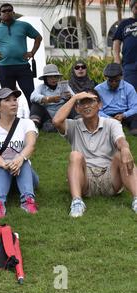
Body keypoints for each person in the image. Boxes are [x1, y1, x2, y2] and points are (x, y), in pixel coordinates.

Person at [52, 89, 137, 217]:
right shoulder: (73, 126)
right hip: (85, 179)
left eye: (91, 102)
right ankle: (77, 202)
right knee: (75, 155)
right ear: (77, 109)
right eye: (82, 103)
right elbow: (56, 121)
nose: (86, 106)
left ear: (100, 105)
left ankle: (136, 199)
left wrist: (125, 149)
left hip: (110, 176)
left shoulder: (111, 123)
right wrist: (74, 98)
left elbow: (120, 140)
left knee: (121, 154)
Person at [0, 88, 39, 218]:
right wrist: (6, 164)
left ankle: (28, 201)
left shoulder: (27, 123)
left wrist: (19, 160)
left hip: (25, 175)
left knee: (23, 159)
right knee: (5, 164)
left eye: (15, 100)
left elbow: (31, 145)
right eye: (7, 100)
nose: (13, 103)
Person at [0, 3, 42, 108]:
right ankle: (10, 122)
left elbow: (38, 37)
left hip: (22, 66)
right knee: (7, 97)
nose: (7, 12)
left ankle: (35, 121)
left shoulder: (24, 25)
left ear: (13, 13)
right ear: (0, 14)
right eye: (4, 11)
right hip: (5, 68)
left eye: (9, 10)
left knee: (31, 95)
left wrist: (32, 52)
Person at [94, 63, 137, 136]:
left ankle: (133, 130)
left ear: (121, 77)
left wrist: (124, 115)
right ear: (106, 78)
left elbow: (135, 107)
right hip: (106, 115)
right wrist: (109, 118)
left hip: (124, 114)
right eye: (110, 81)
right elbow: (96, 109)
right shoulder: (98, 89)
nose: (113, 83)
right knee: (94, 116)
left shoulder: (129, 87)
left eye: (116, 81)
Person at [30, 64, 75, 132]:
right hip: (47, 115)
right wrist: (48, 99)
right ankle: (34, 127)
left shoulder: (64, 86)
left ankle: (80, 122)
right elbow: (32, 97)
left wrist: (70, 97)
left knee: (73, 103)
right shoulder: (41, 87)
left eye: (55, 76)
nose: (53, 79)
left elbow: (75, 97)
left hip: (63, 113)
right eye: (50, 77)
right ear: (45, 78)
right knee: (35, 105)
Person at [112, 0, 137, 91]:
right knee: (129, 91)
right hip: (129, 65)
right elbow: (116, 43)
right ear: (132, 7)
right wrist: (117, 61)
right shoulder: (124, 23)